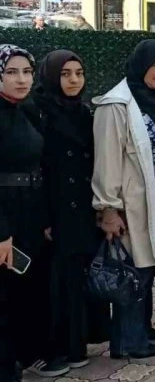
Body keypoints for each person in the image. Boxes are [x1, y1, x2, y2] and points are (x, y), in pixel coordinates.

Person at [92, 39, 155, 360]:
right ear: (140, 65)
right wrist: (107, 207)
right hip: (132, 205)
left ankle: (142, 327)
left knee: (147, 267)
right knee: (133, 272)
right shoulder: (116, 105)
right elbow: (107, 159)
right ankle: (128, 342)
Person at [29, 50, 108, 375]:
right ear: (50, 76)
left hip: (82, 206)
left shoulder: (83, 111)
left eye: (78, 73)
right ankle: (53, 349)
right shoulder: (36, 111)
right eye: (65, 74)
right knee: (55, 282)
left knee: (78, 277)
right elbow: (36, 167)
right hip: (55, 208)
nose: (74, 80)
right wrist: (45, 217)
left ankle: (78, 343)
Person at [1, 45, 56, 380]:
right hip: (6, 213)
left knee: (25, 290)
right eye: (11, 72)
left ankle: (23, 355)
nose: (21, 79)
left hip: (30, 211)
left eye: (26, 72)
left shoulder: (25, 110)